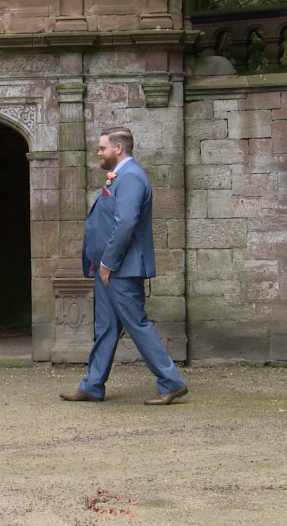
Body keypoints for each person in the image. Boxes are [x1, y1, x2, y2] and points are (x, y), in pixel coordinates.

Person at [60, 128, 188, 406]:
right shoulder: (122, 176)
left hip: (120, 269)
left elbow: (126, 222)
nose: (99, 153)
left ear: (119, 148)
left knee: (137, 325)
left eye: (102, 148)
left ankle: (172, 382)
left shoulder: (130, 177)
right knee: (105, 327)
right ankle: (93, 385)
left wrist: (107, 263)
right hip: (109, 269)